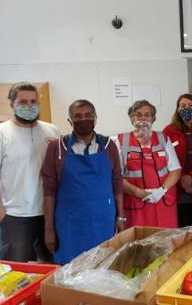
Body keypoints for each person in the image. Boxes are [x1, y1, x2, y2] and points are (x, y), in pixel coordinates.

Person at [0, 83, 60, 262]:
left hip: (49, 214)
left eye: (33, 101)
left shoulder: (52, 131)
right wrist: (0, 215)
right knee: (14, 271)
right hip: (15, 217)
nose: (29, 106)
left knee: (51, 270)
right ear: (12, 104)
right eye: (23, 102)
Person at [41, 99, 124, 265]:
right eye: (77, 116)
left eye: (88, 115)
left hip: (102, 220)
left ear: (95, 118)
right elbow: (49, 190)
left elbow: (117, 183)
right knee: (70, 270)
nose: (83, 119)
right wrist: (49, 228)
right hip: (70, 224)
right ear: (69, 121)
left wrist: (121, 217)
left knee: (102, 266)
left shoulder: (109, 146)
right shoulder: (56, 148)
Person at [117, 100, 181, 228]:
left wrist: (161, 191)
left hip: (163, 203)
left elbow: (175, 170)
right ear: (131, 118)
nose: (143, 118)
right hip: (136, 206)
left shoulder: (163, 138)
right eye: (138, 114)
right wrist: (138, 192)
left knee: (167, 242)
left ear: (153, 118)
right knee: (140, 244)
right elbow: (116, 177)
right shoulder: (121, 141)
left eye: (147, 115)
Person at [163, 94, 192, 227]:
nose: (186, 108)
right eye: (183, 106)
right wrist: (182, 179)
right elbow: (166, 159)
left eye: (190, 106)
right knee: (180, 230)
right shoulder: (168, 131)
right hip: (177, 190)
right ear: (177, 109)